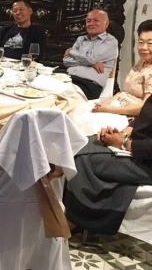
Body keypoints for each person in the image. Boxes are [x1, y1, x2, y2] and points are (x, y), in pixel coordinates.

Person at [63, 94, 152, 235]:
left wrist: (125, 143)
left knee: (84, 157)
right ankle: (67, 211)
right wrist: (122, 134)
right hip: (139, 149)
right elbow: (144, 119)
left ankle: (74, 220)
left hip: (146, 163)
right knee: (81, 143)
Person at [92, 19, 152, 116]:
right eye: (141, 42)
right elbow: (124, 93)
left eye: (150, 43)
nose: (144, 47)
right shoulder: (143, 61)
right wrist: (105, 104)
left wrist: (108, 109)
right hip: (118, 107)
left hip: (134, 119)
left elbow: (146, 108)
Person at [63, 9, 118, 100]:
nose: (91, 23)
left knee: (59, 95)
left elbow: (93, 58)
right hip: (68, 78)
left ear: (106, 24)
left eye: (96, 20)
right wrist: (91, 64)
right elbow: (66, 61)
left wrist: (71, 52)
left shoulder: (111, 41)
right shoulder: (81, 39)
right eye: (88, 21)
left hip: (89, 85)